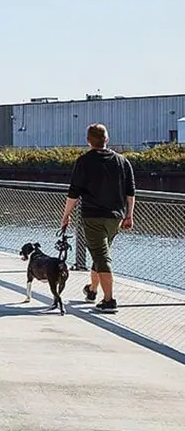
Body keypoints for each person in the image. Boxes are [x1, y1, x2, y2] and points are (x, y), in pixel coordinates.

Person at [61, 123, 135, 313]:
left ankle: (109, 300)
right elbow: (130, 191)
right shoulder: (122, 161)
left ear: (88, 141)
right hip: (115, 217)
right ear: (106, 140)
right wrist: (129, 215)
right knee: (100, 253)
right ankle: (92, 290)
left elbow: (74, 193)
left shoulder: (84, 161)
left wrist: (66, 215)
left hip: (93, 216)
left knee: (101, 257)